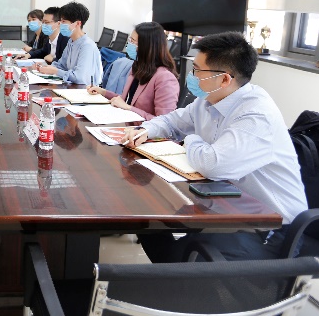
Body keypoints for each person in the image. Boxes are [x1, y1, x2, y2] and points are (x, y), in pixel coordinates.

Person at [122, 32, 307, 262]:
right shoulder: (208, 100)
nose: (191, 76)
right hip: (230, 208)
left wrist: (191, 139)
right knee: (148, 220)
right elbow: (172, 121)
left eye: (197, 70)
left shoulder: (256, 115)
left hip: (272, 229)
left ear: (225, 79)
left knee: (178, 256)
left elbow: (213, 165)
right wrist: (146, 130)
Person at [87, 22, 179, 120]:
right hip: (125, 123)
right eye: (130, 40)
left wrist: (128, 108)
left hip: (142, 129)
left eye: (133, 41)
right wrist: (103, 92)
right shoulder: (138, 67)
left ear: (147, 46)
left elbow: (165, 123)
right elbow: (128, 99)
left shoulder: (165, 78)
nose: (129, 44)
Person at [36, 1, 102, 85]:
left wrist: (55, 71)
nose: (60, 25)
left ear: (78, 23)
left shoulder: (87, 46)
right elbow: (62, 65)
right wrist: (46, 67)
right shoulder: (71, 41)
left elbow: (80, 78)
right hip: (72, 86)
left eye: (64, 22)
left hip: (84, 89)